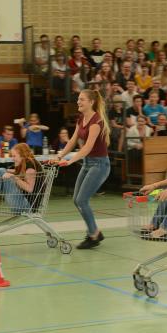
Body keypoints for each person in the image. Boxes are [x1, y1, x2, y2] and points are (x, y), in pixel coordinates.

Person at [54, 89, 111, 249]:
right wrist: (60, 156)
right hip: (87, 163)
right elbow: (72, 141)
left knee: (81, 200)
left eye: (82, 99)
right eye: (78, 99)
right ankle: (94, 232)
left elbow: (87, 147)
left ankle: (93, 234)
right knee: (76, 200)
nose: (78, 102)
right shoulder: (81, 118)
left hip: (100, 165)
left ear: (91, 102)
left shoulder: (96, 121)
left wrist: (70, 161)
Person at [0, 143, 43, 216]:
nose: (12, 158)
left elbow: (29, 189)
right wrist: (7, 172)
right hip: (23, 203)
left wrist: (13, 177)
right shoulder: (23, 163)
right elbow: (17, 173)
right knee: (0, 171)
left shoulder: (30, 166)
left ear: (22, 155)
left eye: (14, 156)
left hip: (26, 207)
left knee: (0, 171)